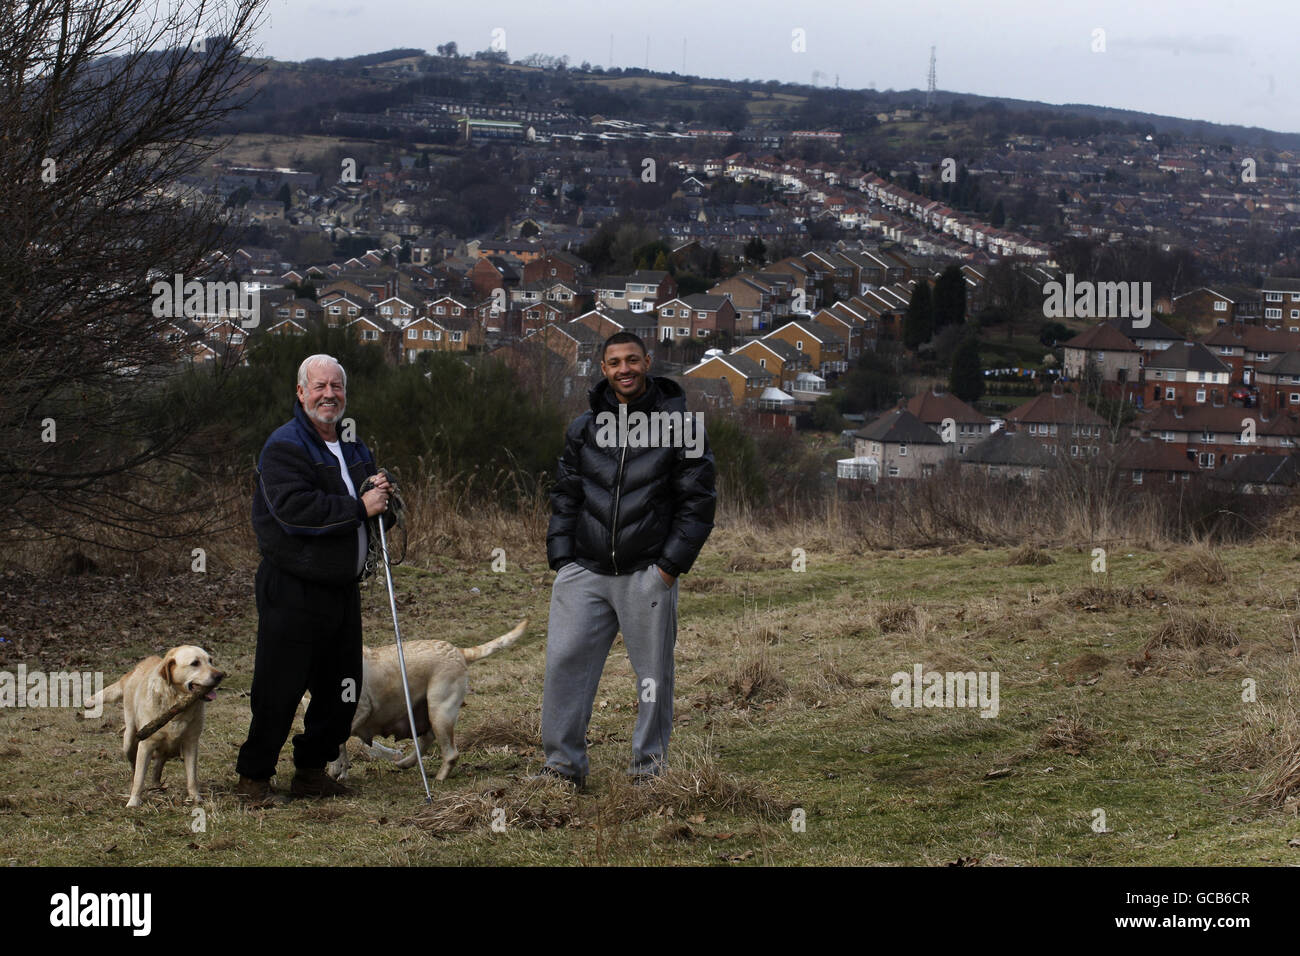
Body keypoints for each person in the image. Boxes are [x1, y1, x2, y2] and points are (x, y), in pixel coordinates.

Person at [540, 331, 716, 788]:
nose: (624, 369)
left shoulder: (684, 427)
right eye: (615, 362)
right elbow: (566, 495)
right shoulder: (584, 428)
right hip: (585, 570)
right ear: (603, 368)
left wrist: (668, 568)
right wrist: (563, 560)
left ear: (648, 362)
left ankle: (648, 773)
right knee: (564, 666)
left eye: (632, 360)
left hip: (647, 574)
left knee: (653, 678)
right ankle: (562, 768)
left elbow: (698, 502)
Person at [235, 354, 393, 804]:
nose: (330, 395)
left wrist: (384, 496)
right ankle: (254, 779)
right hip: (293, 588)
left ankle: (311, 773)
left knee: (340, 689)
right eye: (320, 387)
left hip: (341, 589)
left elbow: (375, 512)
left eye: (337, 387)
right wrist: (360, 508)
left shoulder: (354, 444)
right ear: (301, 393)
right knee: (278, 689)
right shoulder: (285, 446)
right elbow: (295, 512)